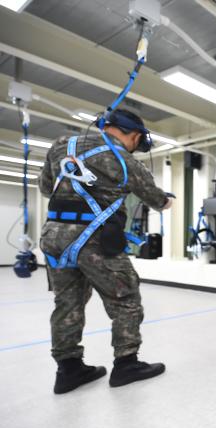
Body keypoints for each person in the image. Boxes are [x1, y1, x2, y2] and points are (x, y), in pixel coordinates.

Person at [39, 109, 173, 395]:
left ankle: (68, 370)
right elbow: (157, 200)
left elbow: (45, 186)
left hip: (55, 238)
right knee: (125, 299)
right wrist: (166, 201)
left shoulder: (62, 145)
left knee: (67, 303)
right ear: (135, 136)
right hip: (96, 241)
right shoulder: (124, 160)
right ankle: (126, 364)